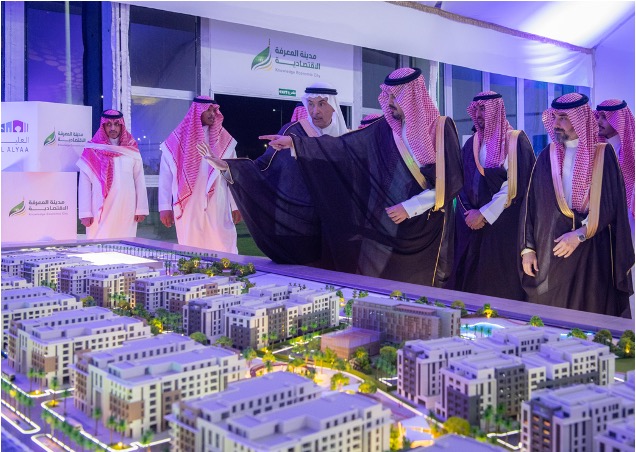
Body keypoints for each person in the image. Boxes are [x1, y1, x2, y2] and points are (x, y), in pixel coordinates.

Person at [261, 68, 463, 286]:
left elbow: (451, 180)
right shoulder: (387, 128)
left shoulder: (440, 127)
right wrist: (296, 143)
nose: (390, 102)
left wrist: (410, 207)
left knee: (420, 282)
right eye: (388, 96)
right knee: (386, 280)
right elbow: (344, 146)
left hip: (425, 222)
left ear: (412, 96)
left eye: (395, 96)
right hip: (390, 219)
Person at [198, 82, 348, 267]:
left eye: (321, 104)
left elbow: (342, 160)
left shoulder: (345, 138)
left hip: (332, 222)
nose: (315, 111)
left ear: (333, 106)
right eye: (310, 104)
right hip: (296, 221)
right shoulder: (292, 131)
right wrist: (228, 167)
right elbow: (262, 166)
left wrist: (296, 145)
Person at [519, 93, 633, 317]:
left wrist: (580, 234)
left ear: (580, 118)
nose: (556, 123)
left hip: (591, 251)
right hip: (551, 251)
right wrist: (528, 249)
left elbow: (610, 205)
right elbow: (530, 205)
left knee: (588, 311)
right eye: (555, 117)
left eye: (563, 117)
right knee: (551, 314)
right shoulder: (547, 156)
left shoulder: (602, 154)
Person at [450, 92, 535, 300]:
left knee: (500, 285)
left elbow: (515, 186)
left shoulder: (514, 141)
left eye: (484, 109)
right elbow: (460, 182)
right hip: (472, 226)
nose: (479, 114)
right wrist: (469, 214)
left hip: (503, 227)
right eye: (476, 109)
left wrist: (484, 214)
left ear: (496, 110)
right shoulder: (471, 144)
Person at [158, 97, 240, 253]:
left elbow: (233, 174)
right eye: (207, 110)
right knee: (191, 245)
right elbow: (166, 177)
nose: (212, 114)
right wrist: (164, 207)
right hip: (189, 202)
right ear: (196, 112)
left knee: (223, 243)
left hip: (218, 200)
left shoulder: (224, 140)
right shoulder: (178, 139)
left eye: (214, 110)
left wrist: (236, 206)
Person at [77, 110, 148, 239]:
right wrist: (85, 212)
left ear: (122, 126)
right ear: (103, 126)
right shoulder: (93, 149)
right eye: (109, 124)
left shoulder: (131, 148)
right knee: (100, 242)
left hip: (126, 205)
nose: (113, 128)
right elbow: (84, 183)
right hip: (100, 206)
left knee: (125, 242)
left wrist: (141, 208)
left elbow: (139, 179)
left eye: (116, 124)